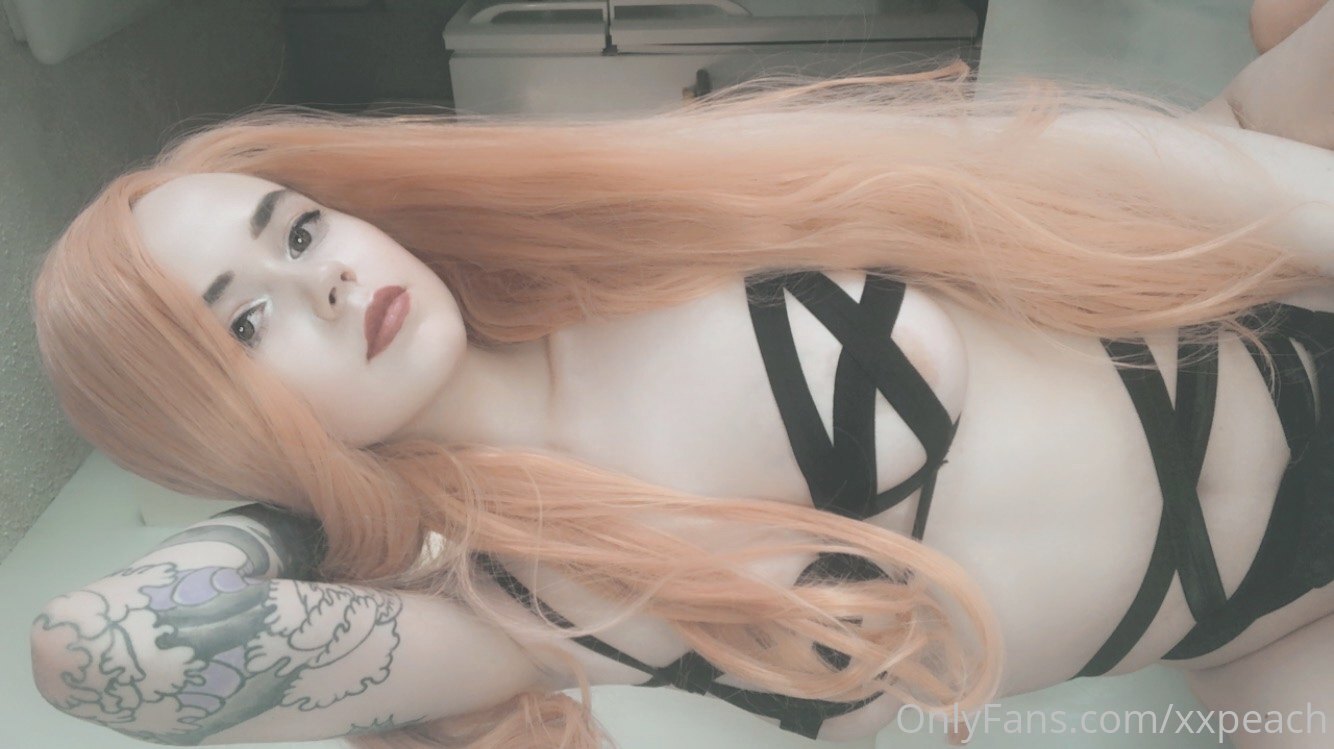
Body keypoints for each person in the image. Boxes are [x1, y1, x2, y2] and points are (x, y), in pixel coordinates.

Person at [26, 2, 1334, 747]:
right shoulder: (509, 609)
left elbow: (1048, 164)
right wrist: (316, 502)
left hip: (1273, 283)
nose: (319, 281)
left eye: (300, 230)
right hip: (1280, 620)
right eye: (247, 325)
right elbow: (99, 650)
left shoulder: (614, 232)